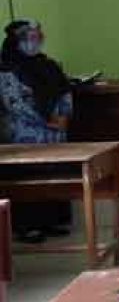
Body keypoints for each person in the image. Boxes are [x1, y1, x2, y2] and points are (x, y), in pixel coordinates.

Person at [0, 20, 74, 244]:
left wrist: (63, 116)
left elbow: (64, 91)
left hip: (54, 133)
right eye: (30, 38)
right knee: (28, 176)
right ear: (17, 41)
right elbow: (14, 102)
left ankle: (52, 221)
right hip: (24, 134)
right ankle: (27, 226)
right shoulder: (6, 68)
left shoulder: (48, 65)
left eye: (37, 37)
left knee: (53, 175)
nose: (36, 42)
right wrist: (44, 122)